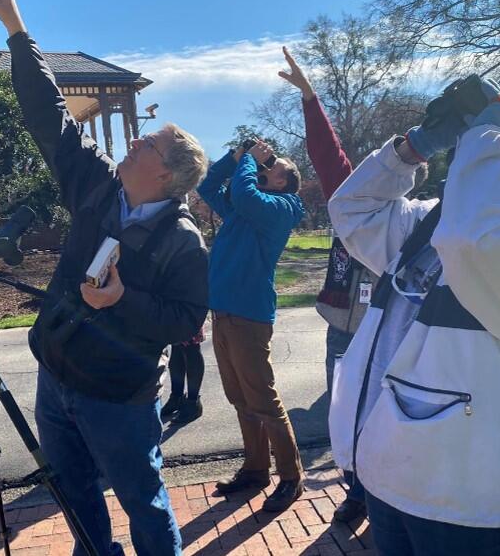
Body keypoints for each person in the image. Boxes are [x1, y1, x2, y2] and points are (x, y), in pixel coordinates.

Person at [0, 0, 209, 555]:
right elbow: (48, 119)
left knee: (145, 505)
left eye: (147, 143)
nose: (134, 140)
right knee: (77, 501)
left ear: (165, 174)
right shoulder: (98, 187)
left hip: (119, 399)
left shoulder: (184, 241)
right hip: (56, 377)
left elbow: (186, 322)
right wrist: (16, 29)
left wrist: (122, 300)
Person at [327, 77, 500, 555]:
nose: (482, 140)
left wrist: (488, 131)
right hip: (391, 469)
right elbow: (351, 211)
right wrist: (411, 149)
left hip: (464, 494)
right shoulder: (444, 219)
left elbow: (475, 240)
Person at [277, 46, 381, 522]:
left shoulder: (406, 218)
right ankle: (356, 489)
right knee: (342, 412)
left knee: (377, 413)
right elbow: (328, 156)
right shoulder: (351, 202)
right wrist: (309, 97)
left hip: (382, 329)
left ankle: (380, 493)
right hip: (341, 323)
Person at [197, 135, 305, 512]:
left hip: (249, 314)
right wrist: (235, 157)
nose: (262, 167)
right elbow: (208, 184)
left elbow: (243, 195)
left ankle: (291, 477)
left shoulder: (282, 208)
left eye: (269, 167)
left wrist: (248, 162)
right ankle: (256, 469)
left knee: (262, 397)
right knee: (240, 397)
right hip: (224, 312)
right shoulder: (246, 209)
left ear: (282, 181)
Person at [162, 326, 205, 423]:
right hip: (173, 312)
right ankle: (177, 397)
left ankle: (193, 403)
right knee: (176, 345)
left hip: (190, 312)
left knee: (191, 345)